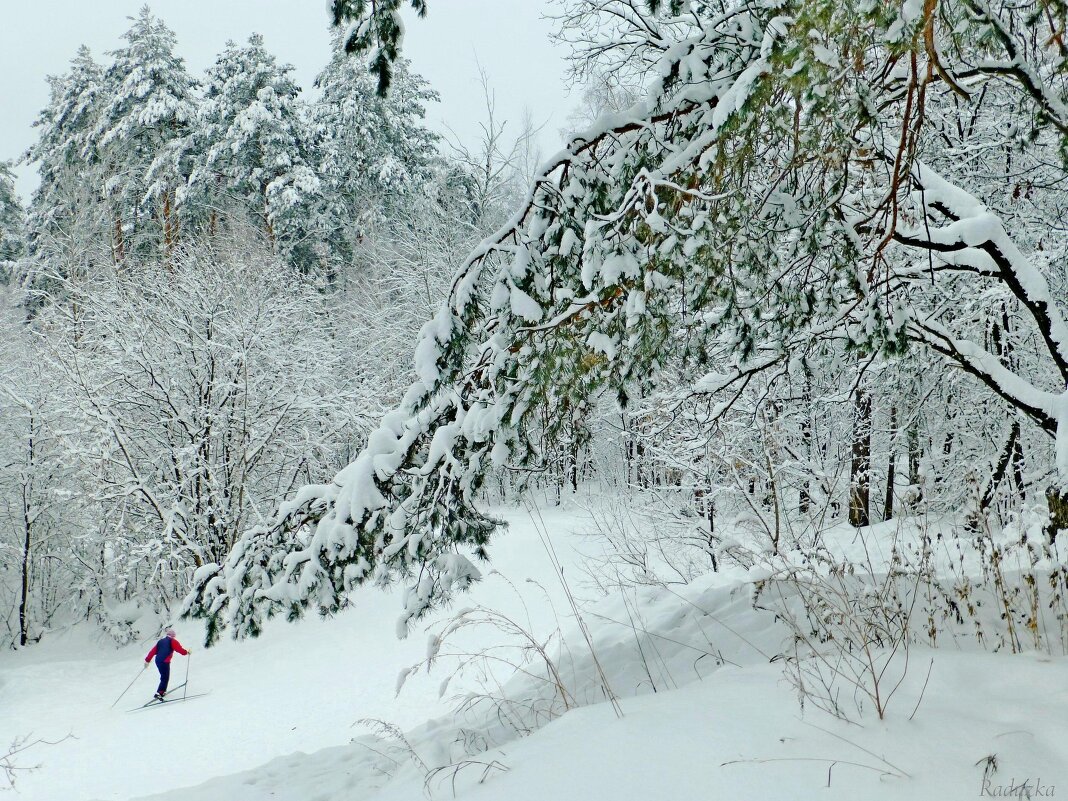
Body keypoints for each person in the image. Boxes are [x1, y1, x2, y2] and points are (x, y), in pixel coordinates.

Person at [144, 628, 190, 700]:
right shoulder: (173, 641)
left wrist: (147, 660)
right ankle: (160, 692)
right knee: (165, 677)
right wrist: (186, 652)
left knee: (164, 676)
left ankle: (161, 691)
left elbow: (152, 651)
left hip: (158, 661)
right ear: (173, 635)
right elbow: (179, 650)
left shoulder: (161, 641)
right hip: (164, 661)